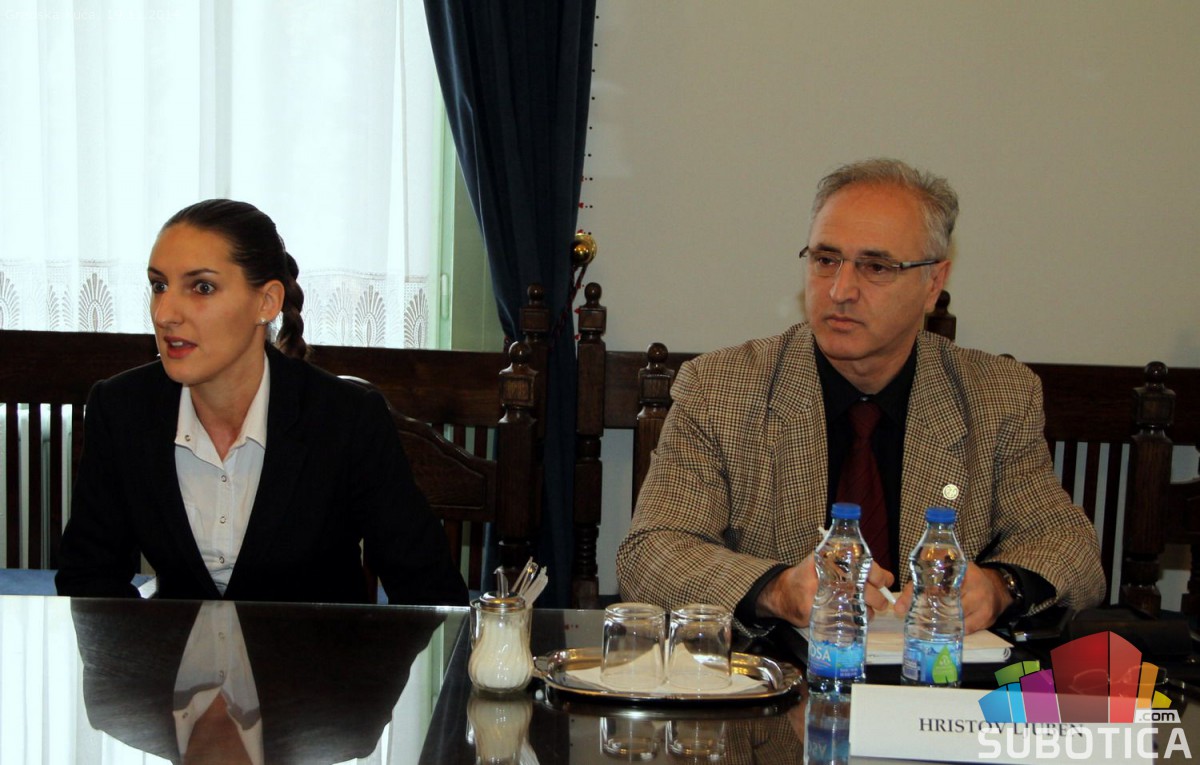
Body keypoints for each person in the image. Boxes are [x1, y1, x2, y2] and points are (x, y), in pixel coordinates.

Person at [616, 158, 1105, 636]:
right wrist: (777, 591)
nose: (840, 290)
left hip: (934, 678)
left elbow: (1069, 546)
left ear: (933, 283)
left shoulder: (997, 396)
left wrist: (1000, 588)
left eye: (875, 267)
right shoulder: (720, 388)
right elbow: (652, 552)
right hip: (777, 674)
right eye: (826, 260)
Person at [56, 199, 468, 606]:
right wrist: (144, 647)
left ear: (266, 302)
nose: (165, 314)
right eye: (159, 285)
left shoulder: (346, 418)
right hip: (174, 652)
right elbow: (88, 575)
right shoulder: (121, 409)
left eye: (202, 287)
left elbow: (429, 591)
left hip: (318, 651)